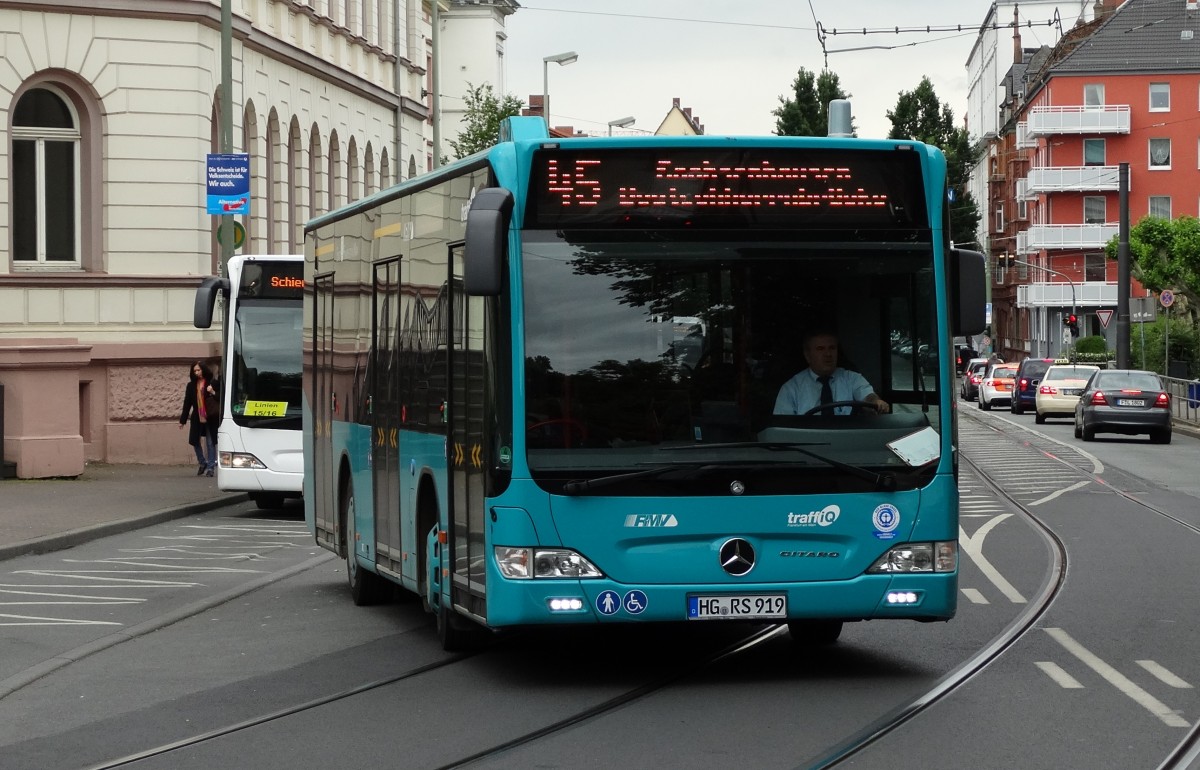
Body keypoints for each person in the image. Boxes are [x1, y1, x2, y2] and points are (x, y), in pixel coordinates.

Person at [773, 329, 889, 416]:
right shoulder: (791, 388)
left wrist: (876, 402)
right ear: (807, 355)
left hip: (846, 441)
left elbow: (867, 396)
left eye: (832, 348)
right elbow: (783, 427)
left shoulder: (852, 378)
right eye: (820, 349)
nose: (828, 354)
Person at [179, 360, 219, 476]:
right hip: (197, 416)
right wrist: (182, 420)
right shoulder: (191, 385)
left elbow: (219, 399)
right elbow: (187, 403)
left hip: (210, 416)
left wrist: (212, 392)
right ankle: (202, 462)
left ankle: (211, 467)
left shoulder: (212, 383)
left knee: (210, 442)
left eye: (198, 370)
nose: (197, 372)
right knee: (194, 441)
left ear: (203, 370)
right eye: (195, 370)